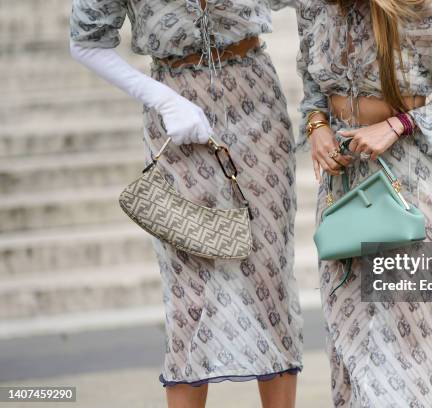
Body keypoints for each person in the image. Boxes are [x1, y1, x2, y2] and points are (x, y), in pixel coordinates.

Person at [69, 1, 303, 407]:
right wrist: (161, 98)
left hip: (257, 102)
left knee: (271, 275)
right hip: (174, 113)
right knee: (188, 293)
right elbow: (86, 41)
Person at [296, 0, 432, 406]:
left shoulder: (419, 9)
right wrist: (318, 128)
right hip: (342, 183)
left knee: (409, 338)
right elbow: (312, 87)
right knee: (348, 336)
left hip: (407, 181)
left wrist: (397, 124)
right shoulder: (314, 7)